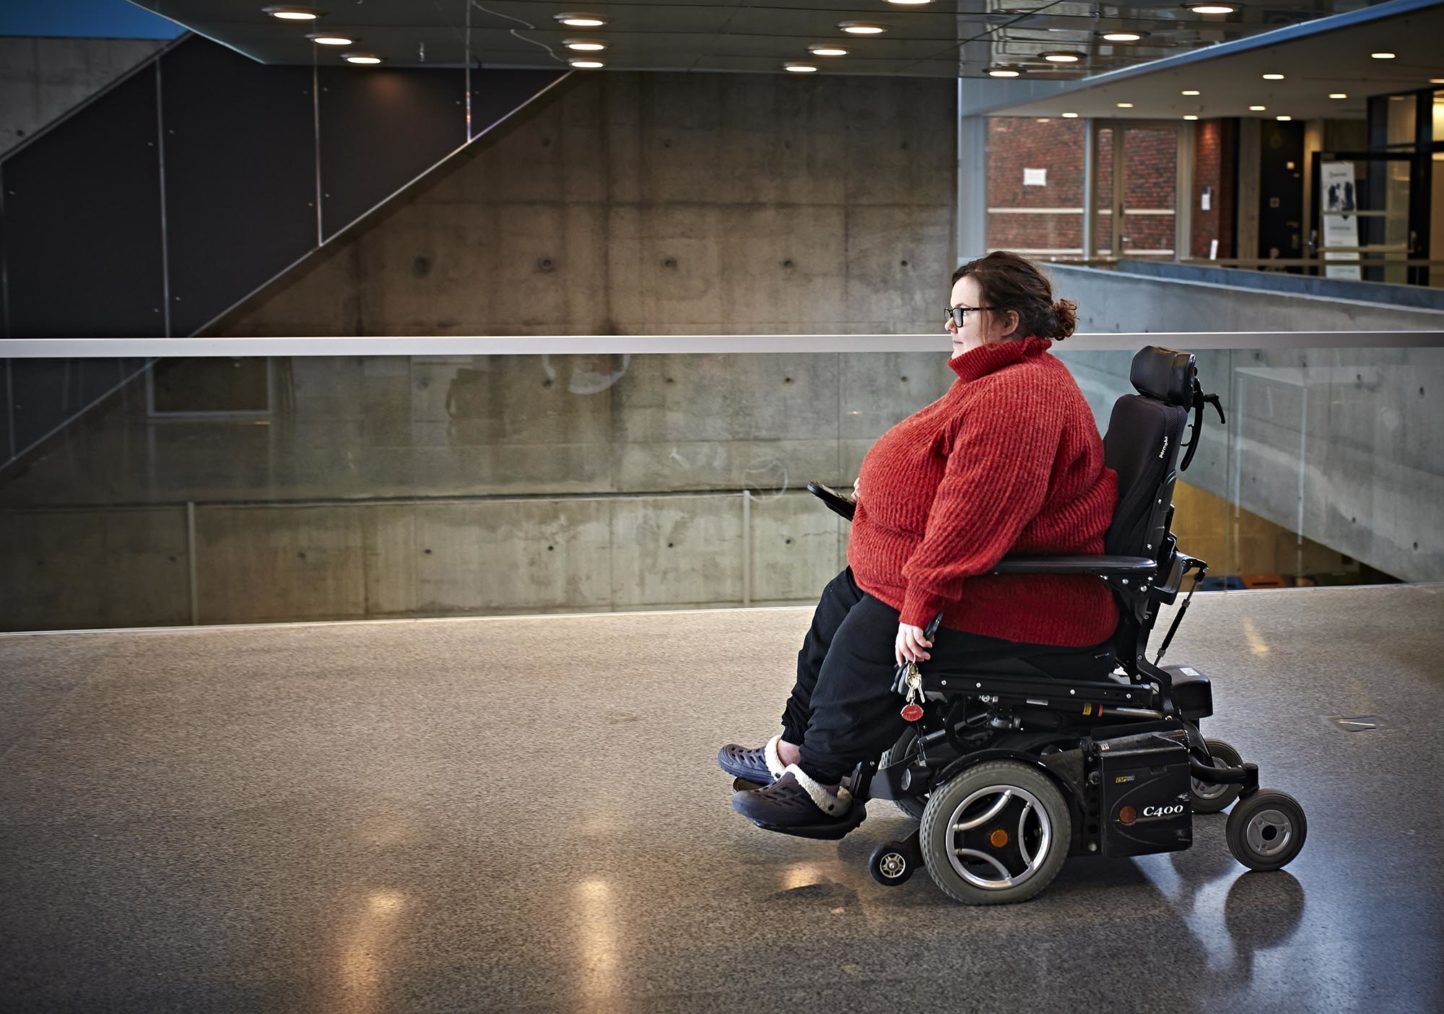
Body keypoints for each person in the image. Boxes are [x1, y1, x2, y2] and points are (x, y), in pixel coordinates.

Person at [719, 251, 1120, 833]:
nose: (950, 326)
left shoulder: (1020, 396)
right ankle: (796, 751)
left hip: (1036, 596)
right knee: (845, 597)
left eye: (963, 312)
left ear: (1008, 321)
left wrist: (921, 601)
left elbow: (981, 511)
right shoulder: (999, 380)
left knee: (873, 630)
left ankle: (823, 786)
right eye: (950, 312)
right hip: (1002, 573)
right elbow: (955, 481)